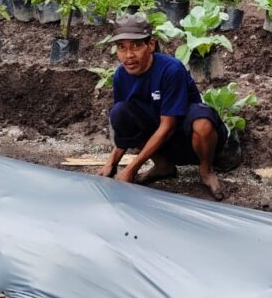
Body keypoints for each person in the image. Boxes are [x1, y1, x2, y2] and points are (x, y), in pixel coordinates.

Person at [98, 14, 230, 200]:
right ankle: (163, 166)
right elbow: (124, 124)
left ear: (150, 45)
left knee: (203, 122)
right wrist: (111, 163)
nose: (128, 55)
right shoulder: (121, 75)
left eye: (136, 46)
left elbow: (168, 126)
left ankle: (205, 170)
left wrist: (130, 169)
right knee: (119, 112)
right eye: (122, 48)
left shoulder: (170, 70)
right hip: (158, 137)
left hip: (186, 138)